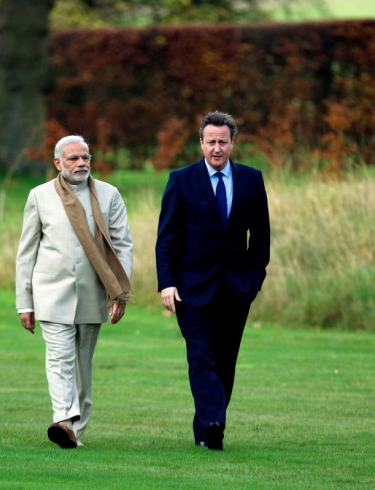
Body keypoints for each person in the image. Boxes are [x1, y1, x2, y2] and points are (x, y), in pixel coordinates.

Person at [155, 111, 270, 450]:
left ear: (232, 143)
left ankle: (206, 427)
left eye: (223, 142)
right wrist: (167, 283)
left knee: (224, 361)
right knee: (201, 357)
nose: (217, 148)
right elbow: (167, 238)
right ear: (201, 143)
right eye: (211, 142)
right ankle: (214, 422)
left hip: (236, 288)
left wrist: (253, 281)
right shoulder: (181, 180)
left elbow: (261, 239)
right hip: (190, 289)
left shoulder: (251, 179)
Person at [16, 135, 133, 449]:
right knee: (59, 359)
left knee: (82, 365)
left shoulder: (109, 195)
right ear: (57, 163)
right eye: (73, 158)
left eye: (86, 157)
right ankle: (63, 420)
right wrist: (24, 302)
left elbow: (122, 245)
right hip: (51, 295)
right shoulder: (39, 196)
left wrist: (119, 293)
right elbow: (26, 253)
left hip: (94, 294)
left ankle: (74, 429)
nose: (82, 163)